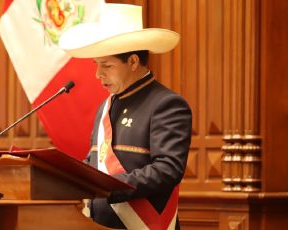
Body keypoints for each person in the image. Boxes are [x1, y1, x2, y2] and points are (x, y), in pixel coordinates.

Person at [59, 3, 192, 230]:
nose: (98, 74)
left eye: (106, 65)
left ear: (132, 61)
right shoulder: (105, 106)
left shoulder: (166, 104)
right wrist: (69, 179)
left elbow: (167, 169)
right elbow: (95, 161)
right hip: (96, 224)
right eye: (96, 65)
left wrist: (107, 187)